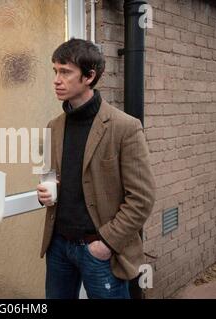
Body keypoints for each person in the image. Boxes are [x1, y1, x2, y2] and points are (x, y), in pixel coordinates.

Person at [37, 38, 155, 299]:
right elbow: (49, 177)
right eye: (55, 71)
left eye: (65, 72)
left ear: (89, 76)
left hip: (99, 250)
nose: (57, 79)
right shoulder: (52, 127)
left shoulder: (125, 127)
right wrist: (44, 193)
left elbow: (142, 199)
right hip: (58, 247)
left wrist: (106, 243)